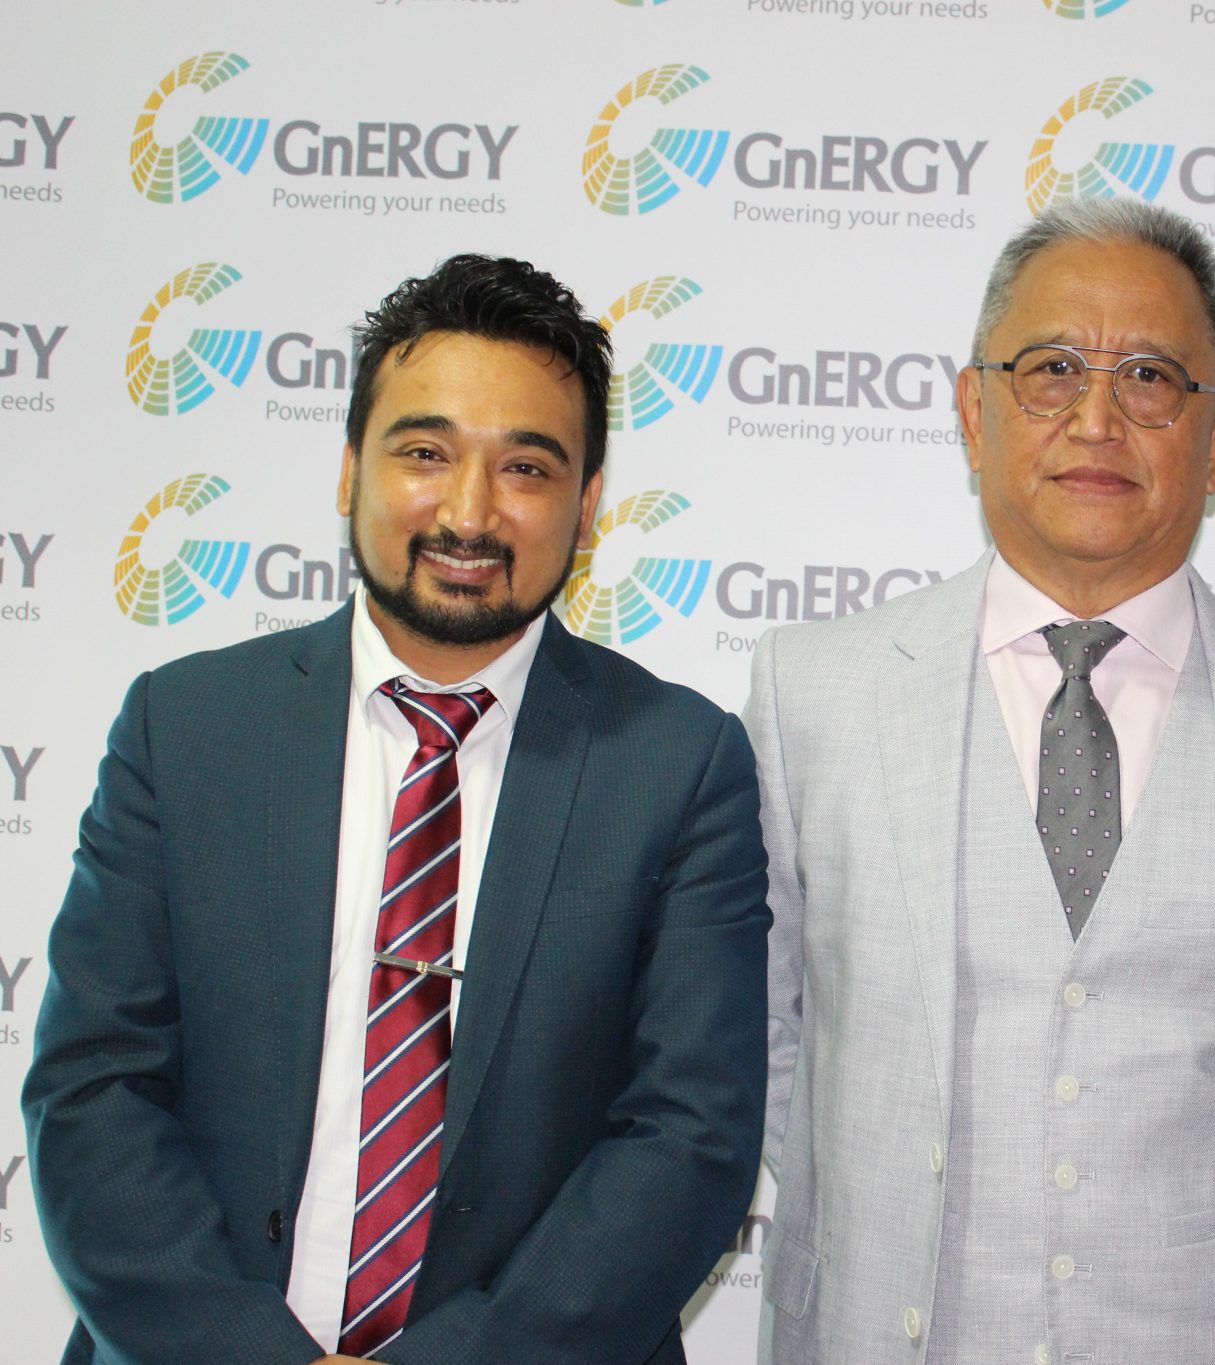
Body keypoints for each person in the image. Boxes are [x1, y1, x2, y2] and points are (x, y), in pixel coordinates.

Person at [22, 254, 770, 1364]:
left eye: (526, 467)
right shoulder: (184, 731)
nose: (469, 512)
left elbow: (689, 1137)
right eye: (425, 453)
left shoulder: (678, 763)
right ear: (348, 470)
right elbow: (94, 1092)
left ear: (588, 506)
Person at [744, 197, 1215, 1364]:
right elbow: (764, 1038)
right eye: (1051, 370)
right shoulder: (812, 692)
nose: (1096, 418)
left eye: (1149, 378)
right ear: (974, 411)